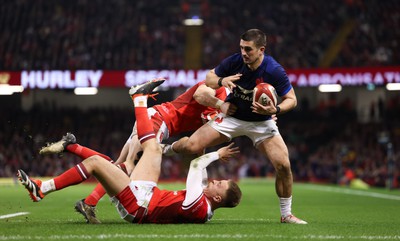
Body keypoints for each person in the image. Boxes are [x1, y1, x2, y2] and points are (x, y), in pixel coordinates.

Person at [17, 79, 242, 224]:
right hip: (148, 178)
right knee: (128, 160)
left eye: (219, 184)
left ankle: (136, 100)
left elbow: (195, 159)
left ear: (218, 197)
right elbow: (203, 94)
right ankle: (50, 185)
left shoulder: (200, 206)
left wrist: (214, 153)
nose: (215, 181)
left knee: (123, 164)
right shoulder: (215, 90)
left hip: (142, 199)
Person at [163, 29, 307, 224]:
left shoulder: (274, 70)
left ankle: (286, 214)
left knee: (283, 165)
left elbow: (292, 99)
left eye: (248, 49)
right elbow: (209, 79)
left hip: (261, 122)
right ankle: (166, 149)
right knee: (191, 146)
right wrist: (222, 80)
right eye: (241, 48)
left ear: (261, 50)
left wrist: (276, 109)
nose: (244, 53)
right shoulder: (235, 61)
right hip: (232, 117)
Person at [73, 79, 231, 224]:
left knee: (118, 166)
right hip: (160, 120)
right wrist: (220, 105)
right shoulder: (217, 88)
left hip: (157, 119)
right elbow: (200, 94)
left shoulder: (220, 108)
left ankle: (86, 193)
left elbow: (196, 138)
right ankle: (139, 98)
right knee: (129, 166)